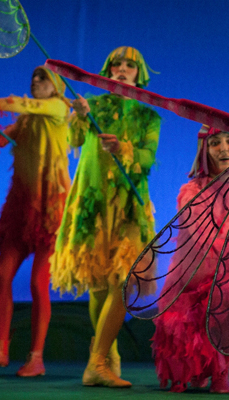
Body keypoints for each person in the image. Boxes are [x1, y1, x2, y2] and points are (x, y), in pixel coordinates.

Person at [50, 46, 161, 388]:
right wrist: (80, 116)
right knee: (99, 286)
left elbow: (147, 158)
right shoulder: (94, 105)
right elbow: (73, 139)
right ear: (107, 70)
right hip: (94, 202)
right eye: (117, 64)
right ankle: (105, 356)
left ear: (139, 73)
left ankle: (96, 361)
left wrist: (123, 149)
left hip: (129, 205)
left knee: (124, 281)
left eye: (130, 65)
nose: (122, 69)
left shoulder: (149, 116)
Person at [151, 126, 229, 393]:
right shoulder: (191, 193)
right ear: (204, 151)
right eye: (215, 143)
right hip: (192, 276)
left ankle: (220, 372)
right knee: (187, 331)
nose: (224, 149)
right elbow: (207, 238)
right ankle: (194, 372)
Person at [0, 66, 71, 377]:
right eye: (33, 77)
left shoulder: (58, 108)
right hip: (21, 209)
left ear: (56, 86)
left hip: (51, 210)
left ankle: (36, 358)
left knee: (38, 282)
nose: (35, 81)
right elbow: (2, 139)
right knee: (2, 273)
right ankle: (0, 348)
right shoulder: (27, 119)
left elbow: (21, 103)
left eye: (43, 78)